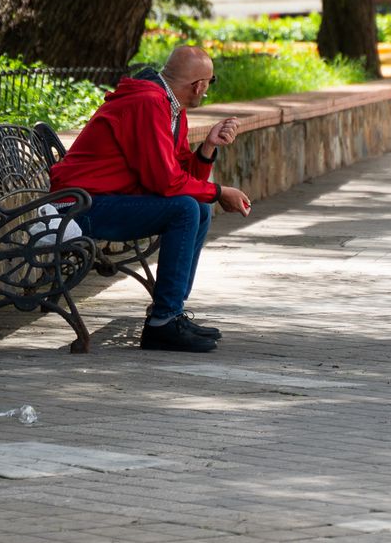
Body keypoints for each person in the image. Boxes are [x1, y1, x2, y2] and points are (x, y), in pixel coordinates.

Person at [49, 45, 252, 353]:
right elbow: (166, 182)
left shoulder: (170, 108)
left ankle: (171, 313)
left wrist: (208, 147)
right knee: (185, 208)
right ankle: (163, 323)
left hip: (103, 200)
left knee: (197, 206)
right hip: (78, 207)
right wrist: (220, 192)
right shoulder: (147, 103)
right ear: (199, 85)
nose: (208, 89)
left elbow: (180, 172)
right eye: (210, 82)